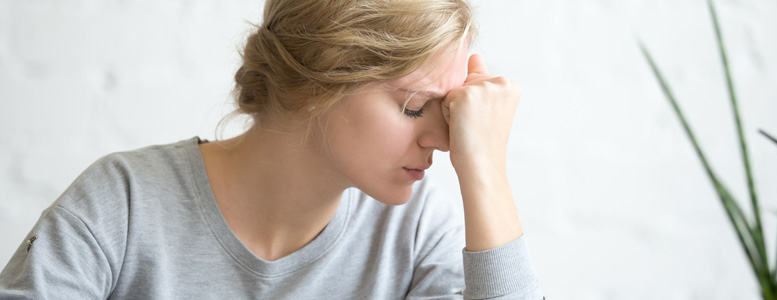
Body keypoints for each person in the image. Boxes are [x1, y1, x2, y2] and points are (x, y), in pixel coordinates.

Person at [0, 0, 544, 298]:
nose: (443, 140)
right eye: (413, 107)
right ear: (317, 83)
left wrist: (487, 172)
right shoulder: (120, 206)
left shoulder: (415, 233)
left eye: (448, 112)